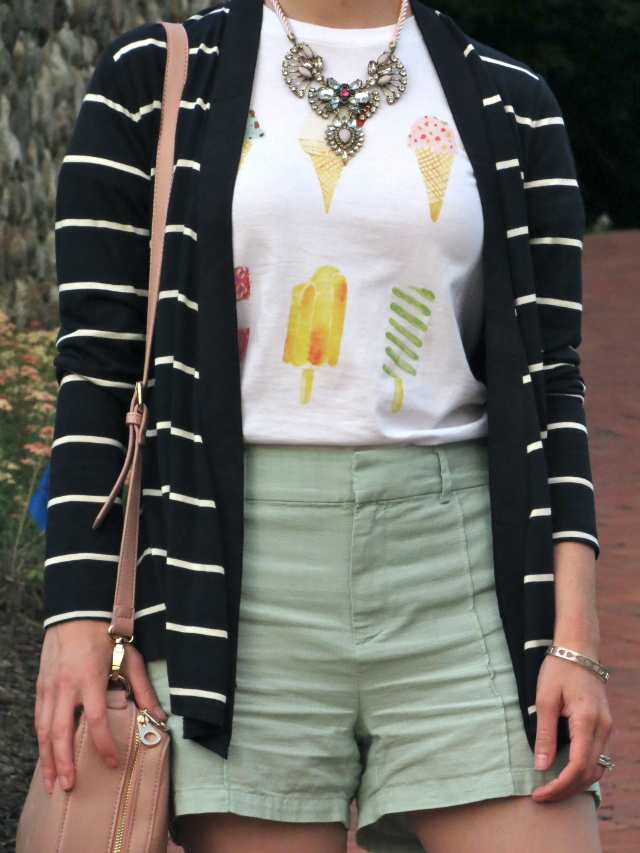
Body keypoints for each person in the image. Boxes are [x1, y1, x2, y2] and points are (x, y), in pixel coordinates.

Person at [35, 0, 612, 851]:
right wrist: (77, 614)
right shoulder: (153, 80)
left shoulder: (511, 99)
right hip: (231, 580)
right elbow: (98, 368)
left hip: (462, 576)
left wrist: (576, 635)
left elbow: (551, 382)